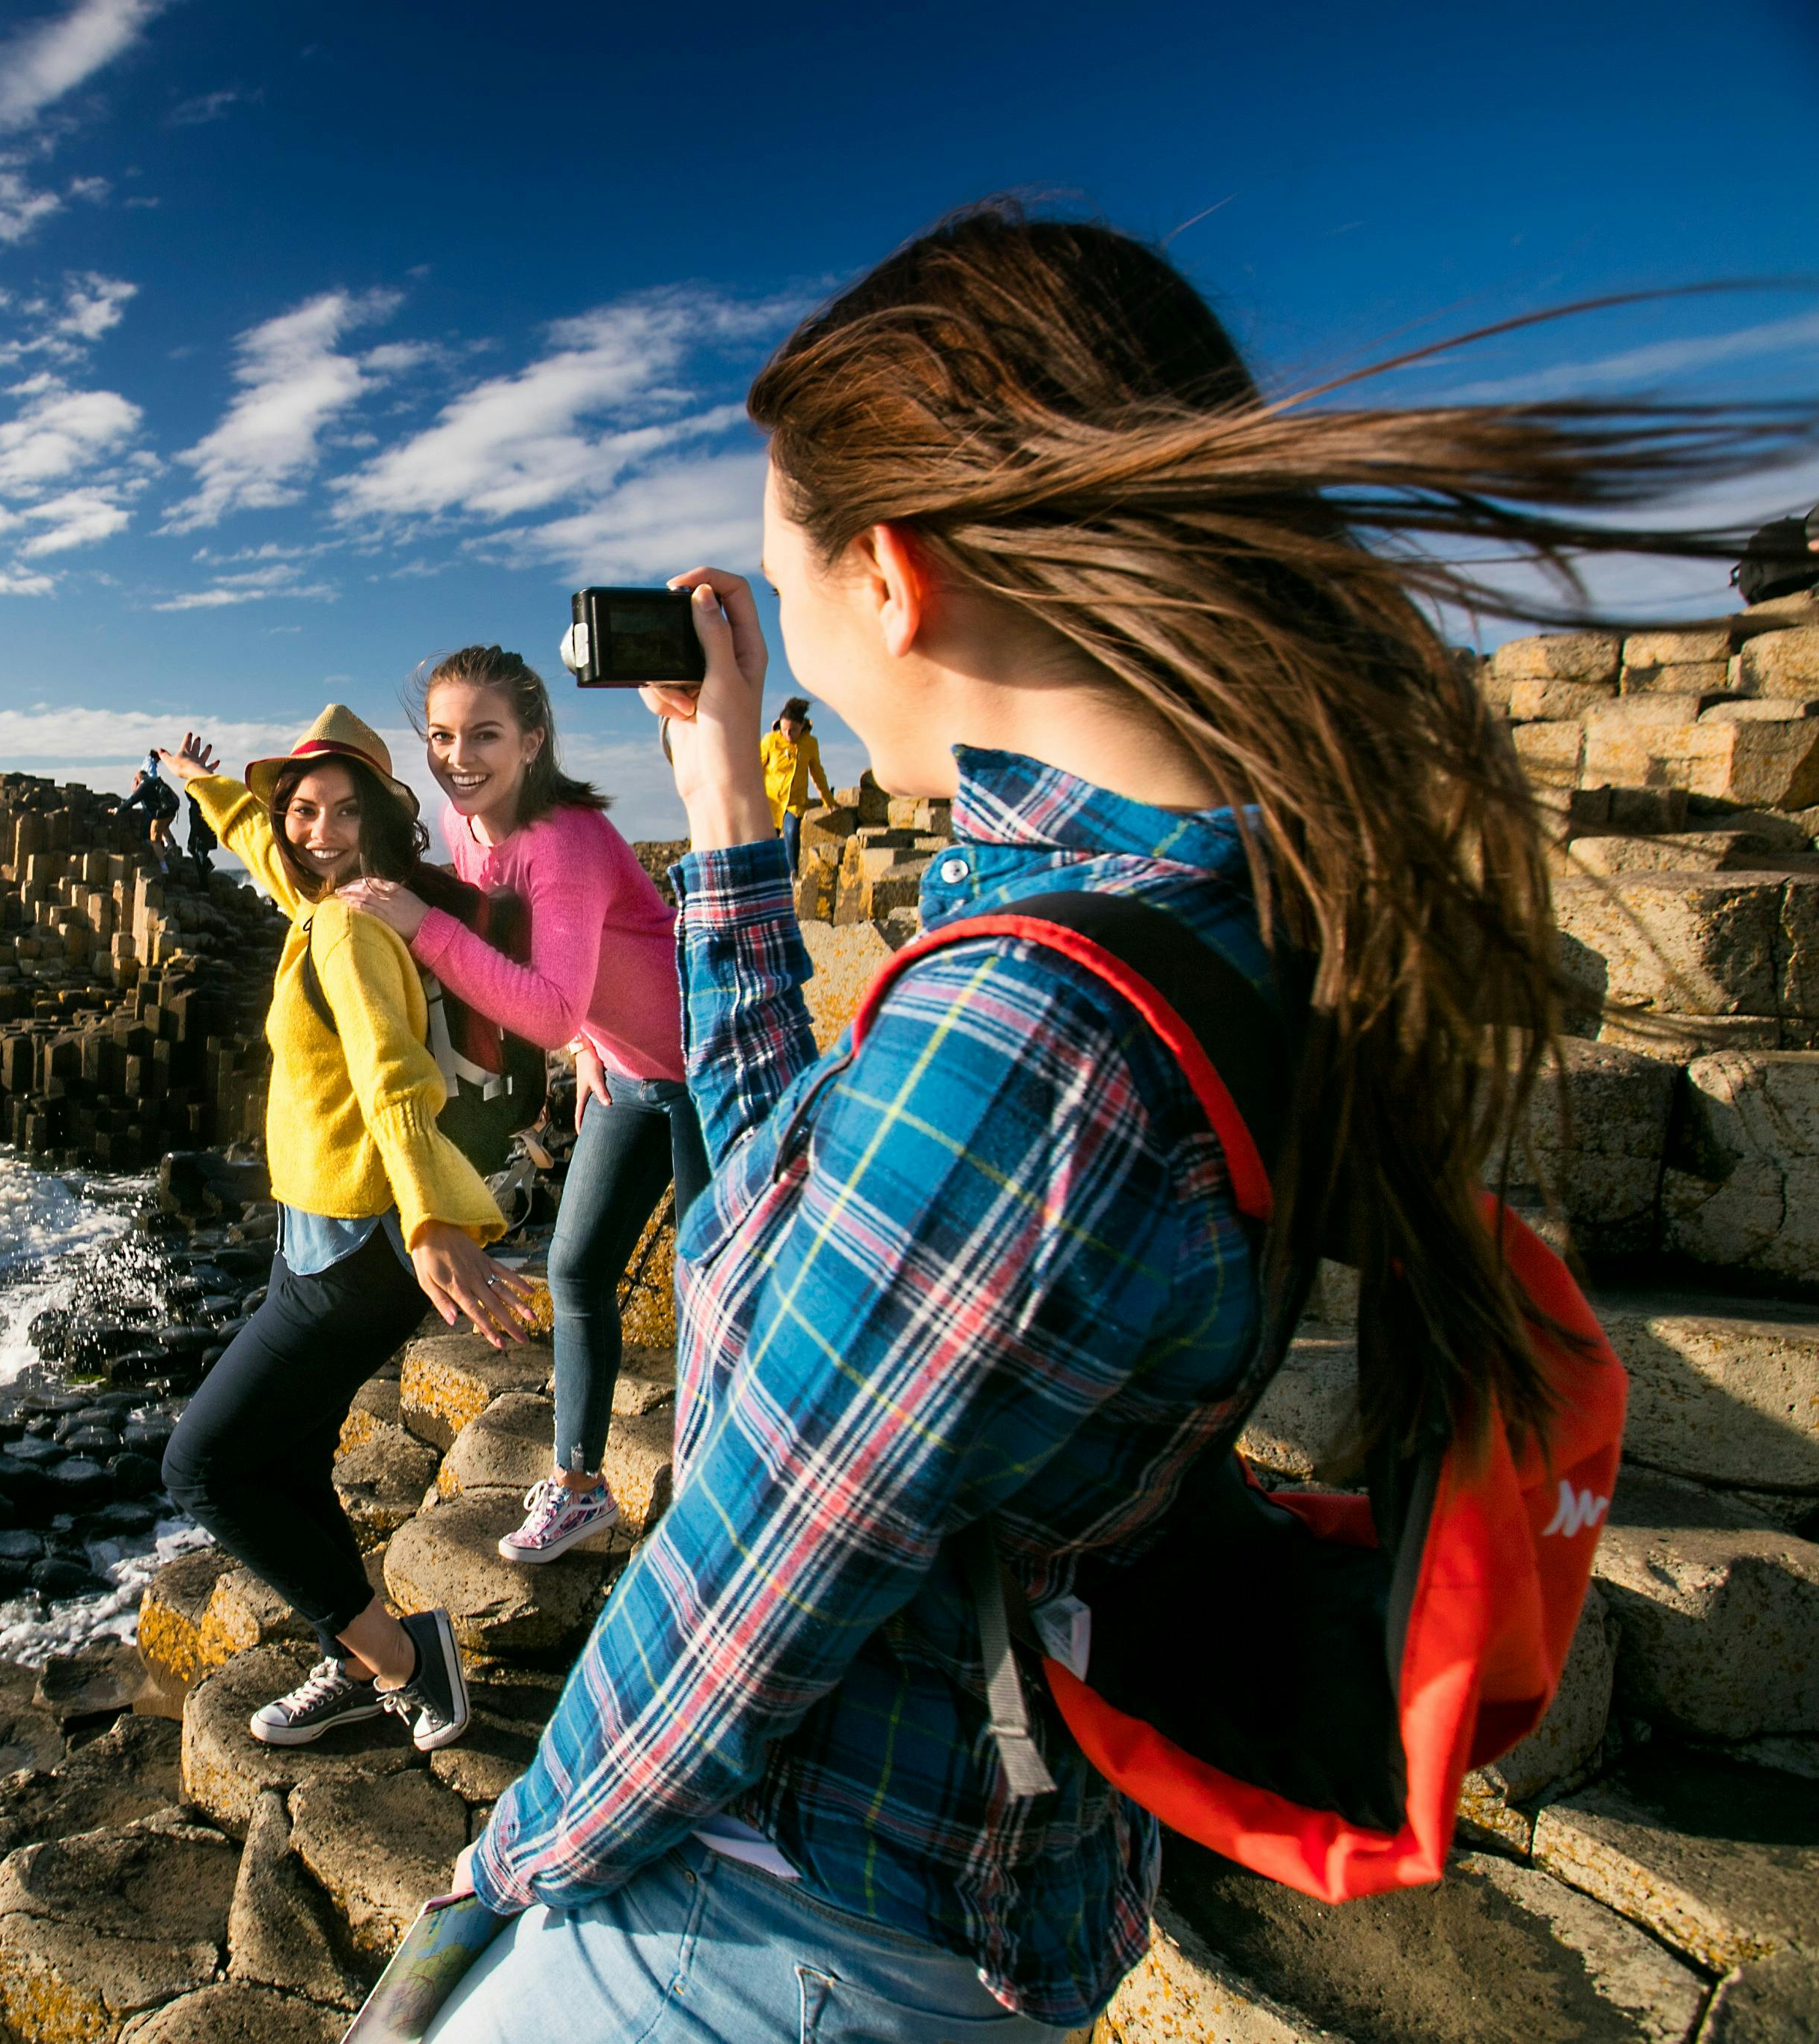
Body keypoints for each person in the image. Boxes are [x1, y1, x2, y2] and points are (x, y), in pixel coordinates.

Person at [431, 204, 1781, 2043]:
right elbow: (784, 1230)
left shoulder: (1029, 1035)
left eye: (787, 579)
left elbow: (741, 1570)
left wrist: (493, 1878)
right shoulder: (1232, 900)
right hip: (990, 1896)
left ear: (894, 581)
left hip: (771, 1930)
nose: (789, 636)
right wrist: (730, 814)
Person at [158, 706, 543, 1754]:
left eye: (338, 812)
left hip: (355, 1254)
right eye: (301, 810)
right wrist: (207, 787)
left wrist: (430, 1215)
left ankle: (407, 1661)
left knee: (203, 1469)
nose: (315, 830)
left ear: (379, 818)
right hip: (319, 1241)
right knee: (287, 1458)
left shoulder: (347, 925)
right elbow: (267, 854)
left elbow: (393, 1075)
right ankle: (358, 1653)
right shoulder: (334, 897)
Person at [337, 646, 701, 1567]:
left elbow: (546, 1003)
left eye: (484, 735)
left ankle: (719, 1488)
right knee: (577, 1272)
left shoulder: (563, 839)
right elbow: (562, 989)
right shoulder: (472, 829)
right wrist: (587, 1050)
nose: (458, 756)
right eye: (442, 735)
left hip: (707, 1075)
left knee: (714, 1292)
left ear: (533, 741)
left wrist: (426, 928)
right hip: (626, 1074)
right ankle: (579, 1489)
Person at [759, 694, 835, 857]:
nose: (788, 734)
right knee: (767, 842)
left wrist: (829, 801)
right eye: (784, 729)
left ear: (802, 726)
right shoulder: (770, 740)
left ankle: (793, 873)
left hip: (795, 803)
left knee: (792, 831)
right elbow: (755, 767)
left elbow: (817, 774)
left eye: (793, 730)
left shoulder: (810, 744)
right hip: (770, 801)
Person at [119, 747, 182, 851]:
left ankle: (165, 842)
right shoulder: (150, 764)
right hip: (148, 794)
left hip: (144, 793)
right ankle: (158, 841)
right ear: (156, 757)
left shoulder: (146, 763)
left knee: (157, 819)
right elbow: (153, 778)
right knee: (154, 817)